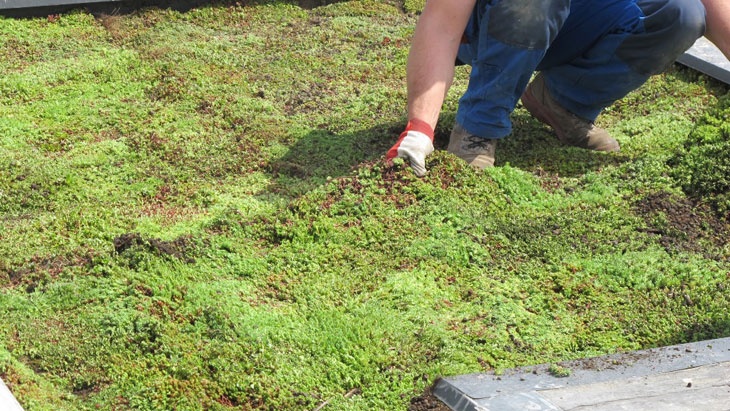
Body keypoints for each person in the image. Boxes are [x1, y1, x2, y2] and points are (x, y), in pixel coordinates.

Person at [386, 0, 730, 177]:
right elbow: (442, 24)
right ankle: (478, 128)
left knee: (681, 14)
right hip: (492, 22)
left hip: (574, 17)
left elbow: (713, 7)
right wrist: (420, 129)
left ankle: (563, 102)